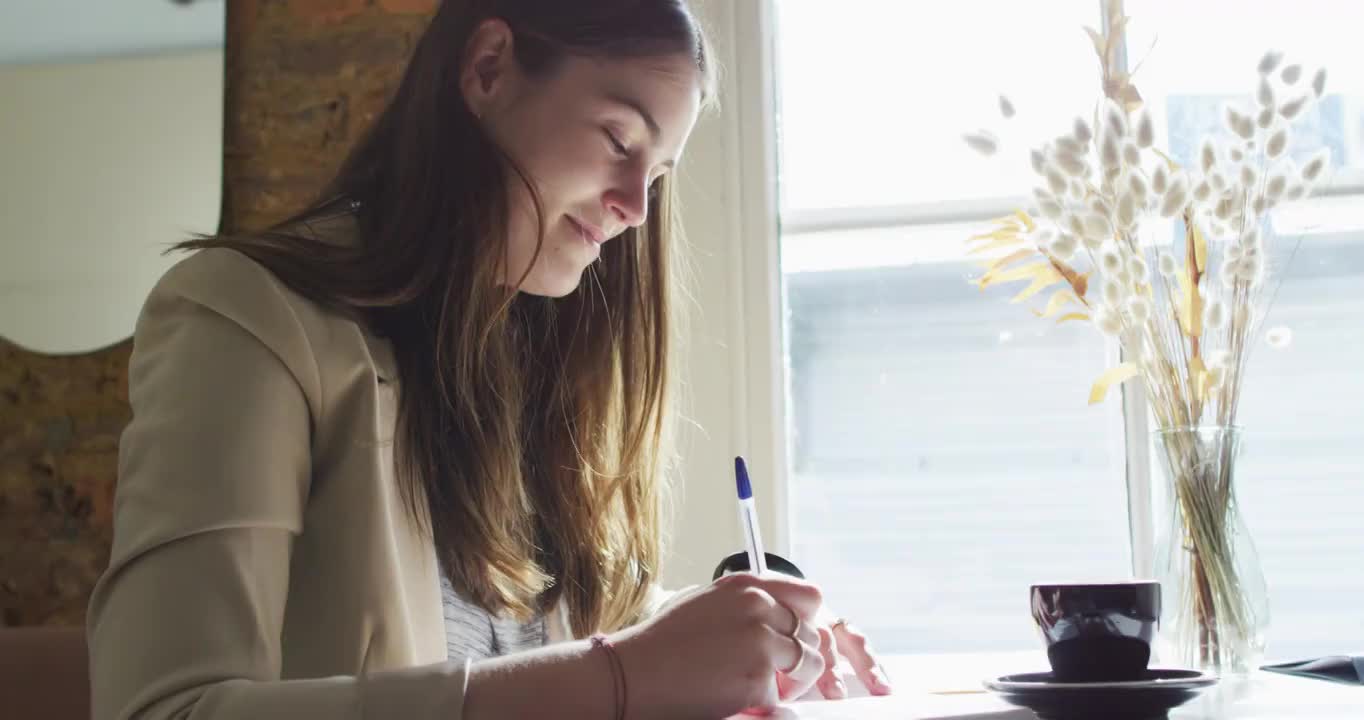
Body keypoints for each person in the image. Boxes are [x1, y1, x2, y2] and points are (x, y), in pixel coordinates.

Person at [86, 2, 891, 718]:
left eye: (659, 173)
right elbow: (168, 709)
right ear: (488, 68)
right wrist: (624, 678)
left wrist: (739, 638)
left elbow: (532, 647)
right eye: (618, 138)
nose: (635, 207)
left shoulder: (540, 355)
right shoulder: (247, 320)